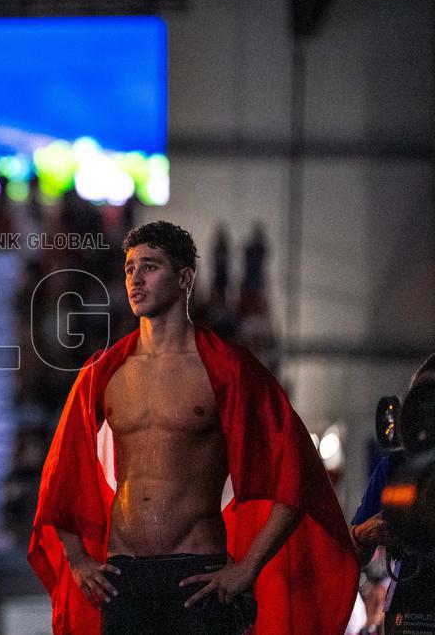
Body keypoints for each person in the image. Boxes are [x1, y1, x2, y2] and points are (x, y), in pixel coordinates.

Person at [28, 221, 358, 634]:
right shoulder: (103, 372)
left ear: (185, 278)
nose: (135, 279)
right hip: (122, 575)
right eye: (130, 268)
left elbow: (297, 472)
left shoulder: (228, 370)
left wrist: (249, 567)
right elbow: (61, 477)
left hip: (198, 574)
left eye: (150, 267)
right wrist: (76, 559)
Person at [349, 354, 435, 634]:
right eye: (421, 400)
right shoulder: (397, 465)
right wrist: (364, 534)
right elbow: (350, 554)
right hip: (413, 610)